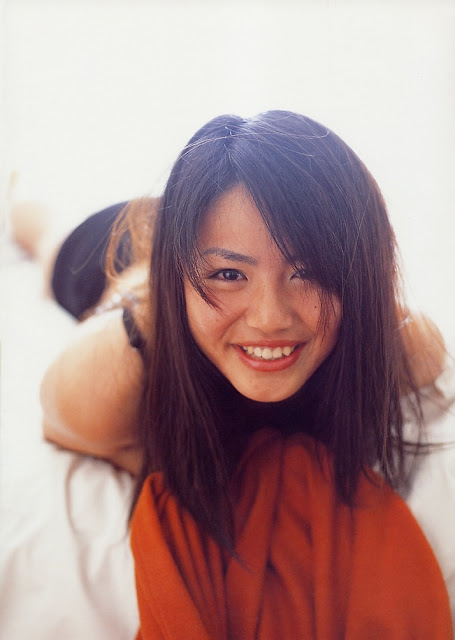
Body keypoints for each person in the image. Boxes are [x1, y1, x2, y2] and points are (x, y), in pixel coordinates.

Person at [13, 110, 453, 637]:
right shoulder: (111, 368)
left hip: (201, 234)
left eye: (309, 272)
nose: (270, 318)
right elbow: (66, 415)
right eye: (228, 276)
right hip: (129, 256)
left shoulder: (406, 347)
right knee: (49, 245)